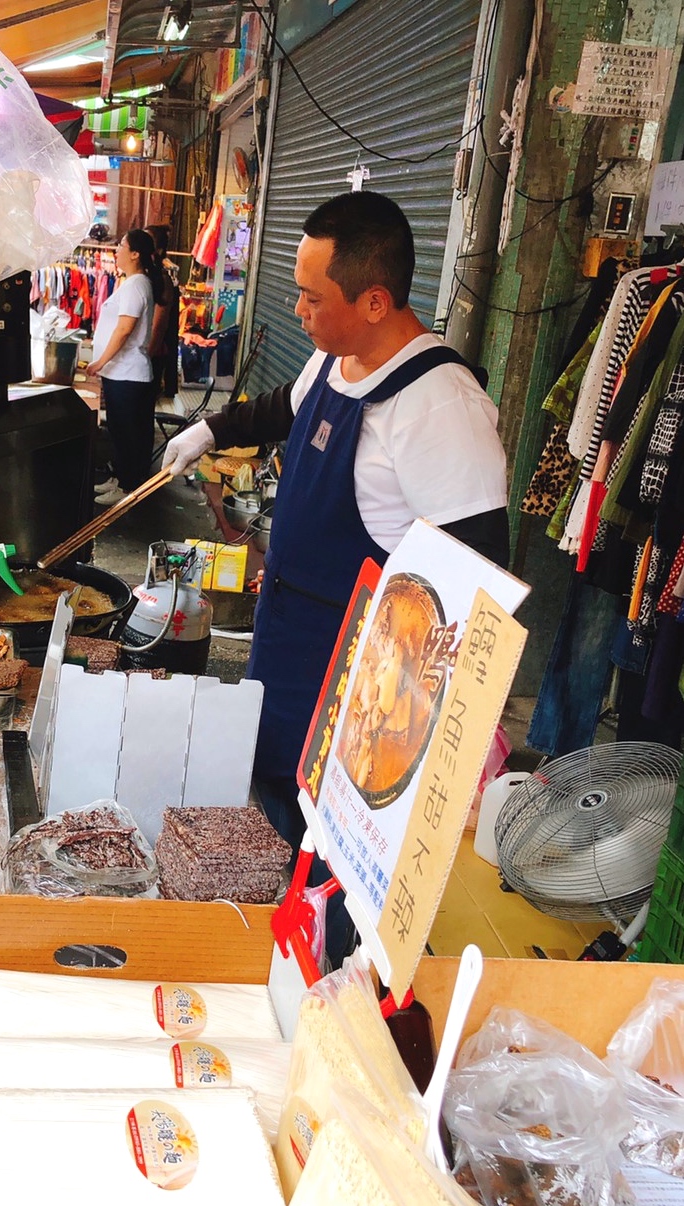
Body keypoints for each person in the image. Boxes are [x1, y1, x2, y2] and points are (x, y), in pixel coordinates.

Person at [162, 191, 508, 960]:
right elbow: (280, 410)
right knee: (279, 805)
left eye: (313, 297)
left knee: (337, 849)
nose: (299, 310)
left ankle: (335, 978)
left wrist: (439, 727)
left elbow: (480, 578)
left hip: (361, 676)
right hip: (289, 639)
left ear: (375, 300)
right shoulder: (336, 356)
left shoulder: (439, 409)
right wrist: (209, 430)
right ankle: (280, 952)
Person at [88, 229, 166, 506]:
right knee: (122, 434)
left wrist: (100, 362)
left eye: (121, 245)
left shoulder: (136, 285)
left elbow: (124, 329)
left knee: (128, 434)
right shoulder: (133, 282)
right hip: (121, 373)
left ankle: (127, 488)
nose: (116, 250)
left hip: (127, 375)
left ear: (135, 254)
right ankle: (121, 479)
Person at [146, 223, 180, 399]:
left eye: (147, 243)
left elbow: (158, 327)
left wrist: (144, 358)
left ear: (158, 251)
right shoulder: (139, 278)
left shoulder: (162, 281)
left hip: (150, 356)